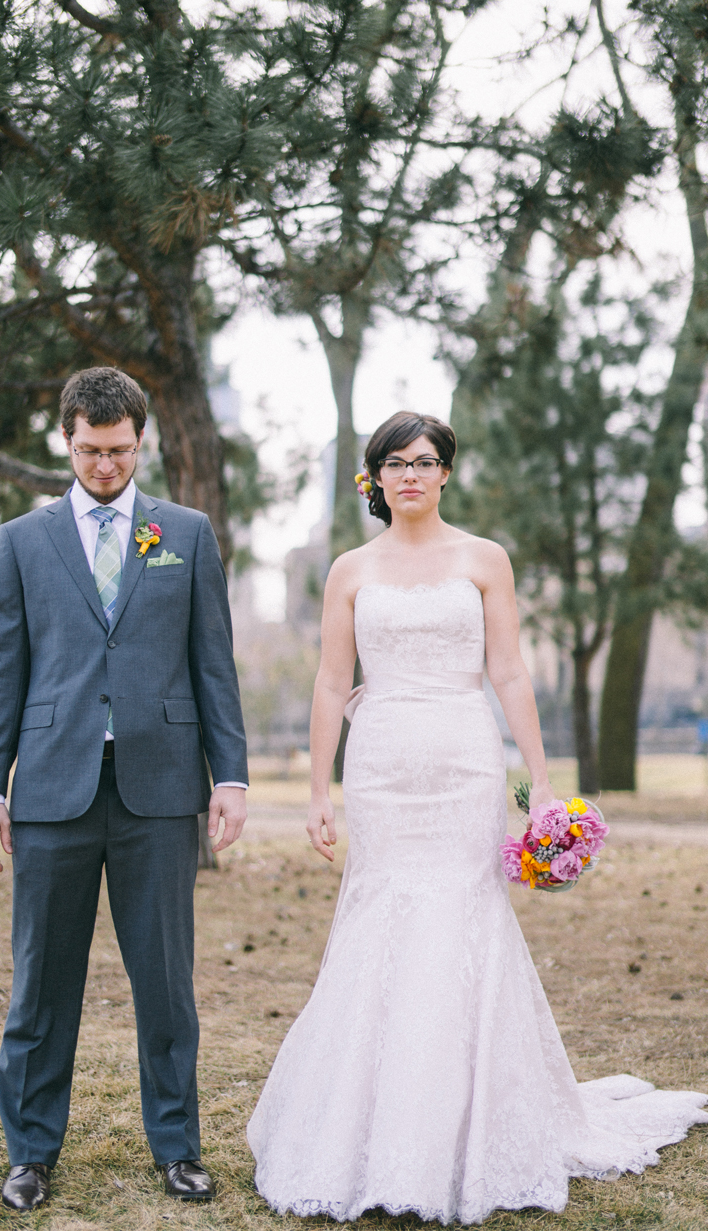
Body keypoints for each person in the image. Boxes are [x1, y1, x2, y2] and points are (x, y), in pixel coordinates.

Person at [247, 410, 708, 1224]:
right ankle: (373, 1127)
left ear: (446, 472)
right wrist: (318, 791)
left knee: (465, 916)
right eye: (395, 463)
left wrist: (540, 775)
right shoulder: (349, 570)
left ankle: (466, 1126)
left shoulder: (484, 559)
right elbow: (329, 681)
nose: (412, 475)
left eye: (425, 461)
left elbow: (509, 669)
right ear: (376, 478)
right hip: (383, 766)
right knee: (384, 917)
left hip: (465, 760)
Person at [0, 367, 248, 1212]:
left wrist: (228, 775)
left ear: (141, 441)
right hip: (51, 788)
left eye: (120, 451)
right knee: (41, 980)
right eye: (91, 450)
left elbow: (213, 664)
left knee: (165, 980)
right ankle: (30, 1150)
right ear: (67, 439)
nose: (105, 466)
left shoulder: (186, 533)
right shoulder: (22, 540)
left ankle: (178, 1148)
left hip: (161, 792)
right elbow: (2, 674)